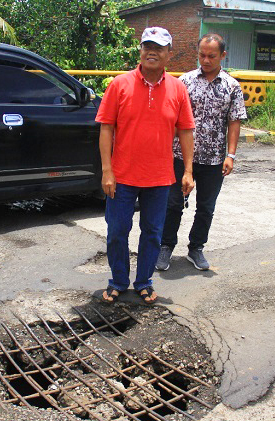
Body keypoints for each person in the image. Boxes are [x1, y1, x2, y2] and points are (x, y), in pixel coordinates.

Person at [95, 27, 195, 305]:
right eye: (147, 46)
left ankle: (144, 282)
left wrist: (187, 171)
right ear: (140, 50)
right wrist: (107, 170)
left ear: (168, 54)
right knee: (117, 231)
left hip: (160, 178)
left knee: (152, 233)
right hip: (122, 176)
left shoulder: (178, 89)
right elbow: (106, 128)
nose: (152, 51)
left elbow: (186, 130)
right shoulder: (119, 84)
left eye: (159, 47)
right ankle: (117, 280)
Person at [156, 33, 247, 272]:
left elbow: (234, 121)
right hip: (178, 155)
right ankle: (165, 246)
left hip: (213, 159)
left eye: (211, 56)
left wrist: (231, 154)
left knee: (206, 207)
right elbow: (170, 116)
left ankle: (196, 247)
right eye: (202, 55)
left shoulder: (232, 86)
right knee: (173, 203)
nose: (205, 60)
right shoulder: (183, 82)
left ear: (222, 56)